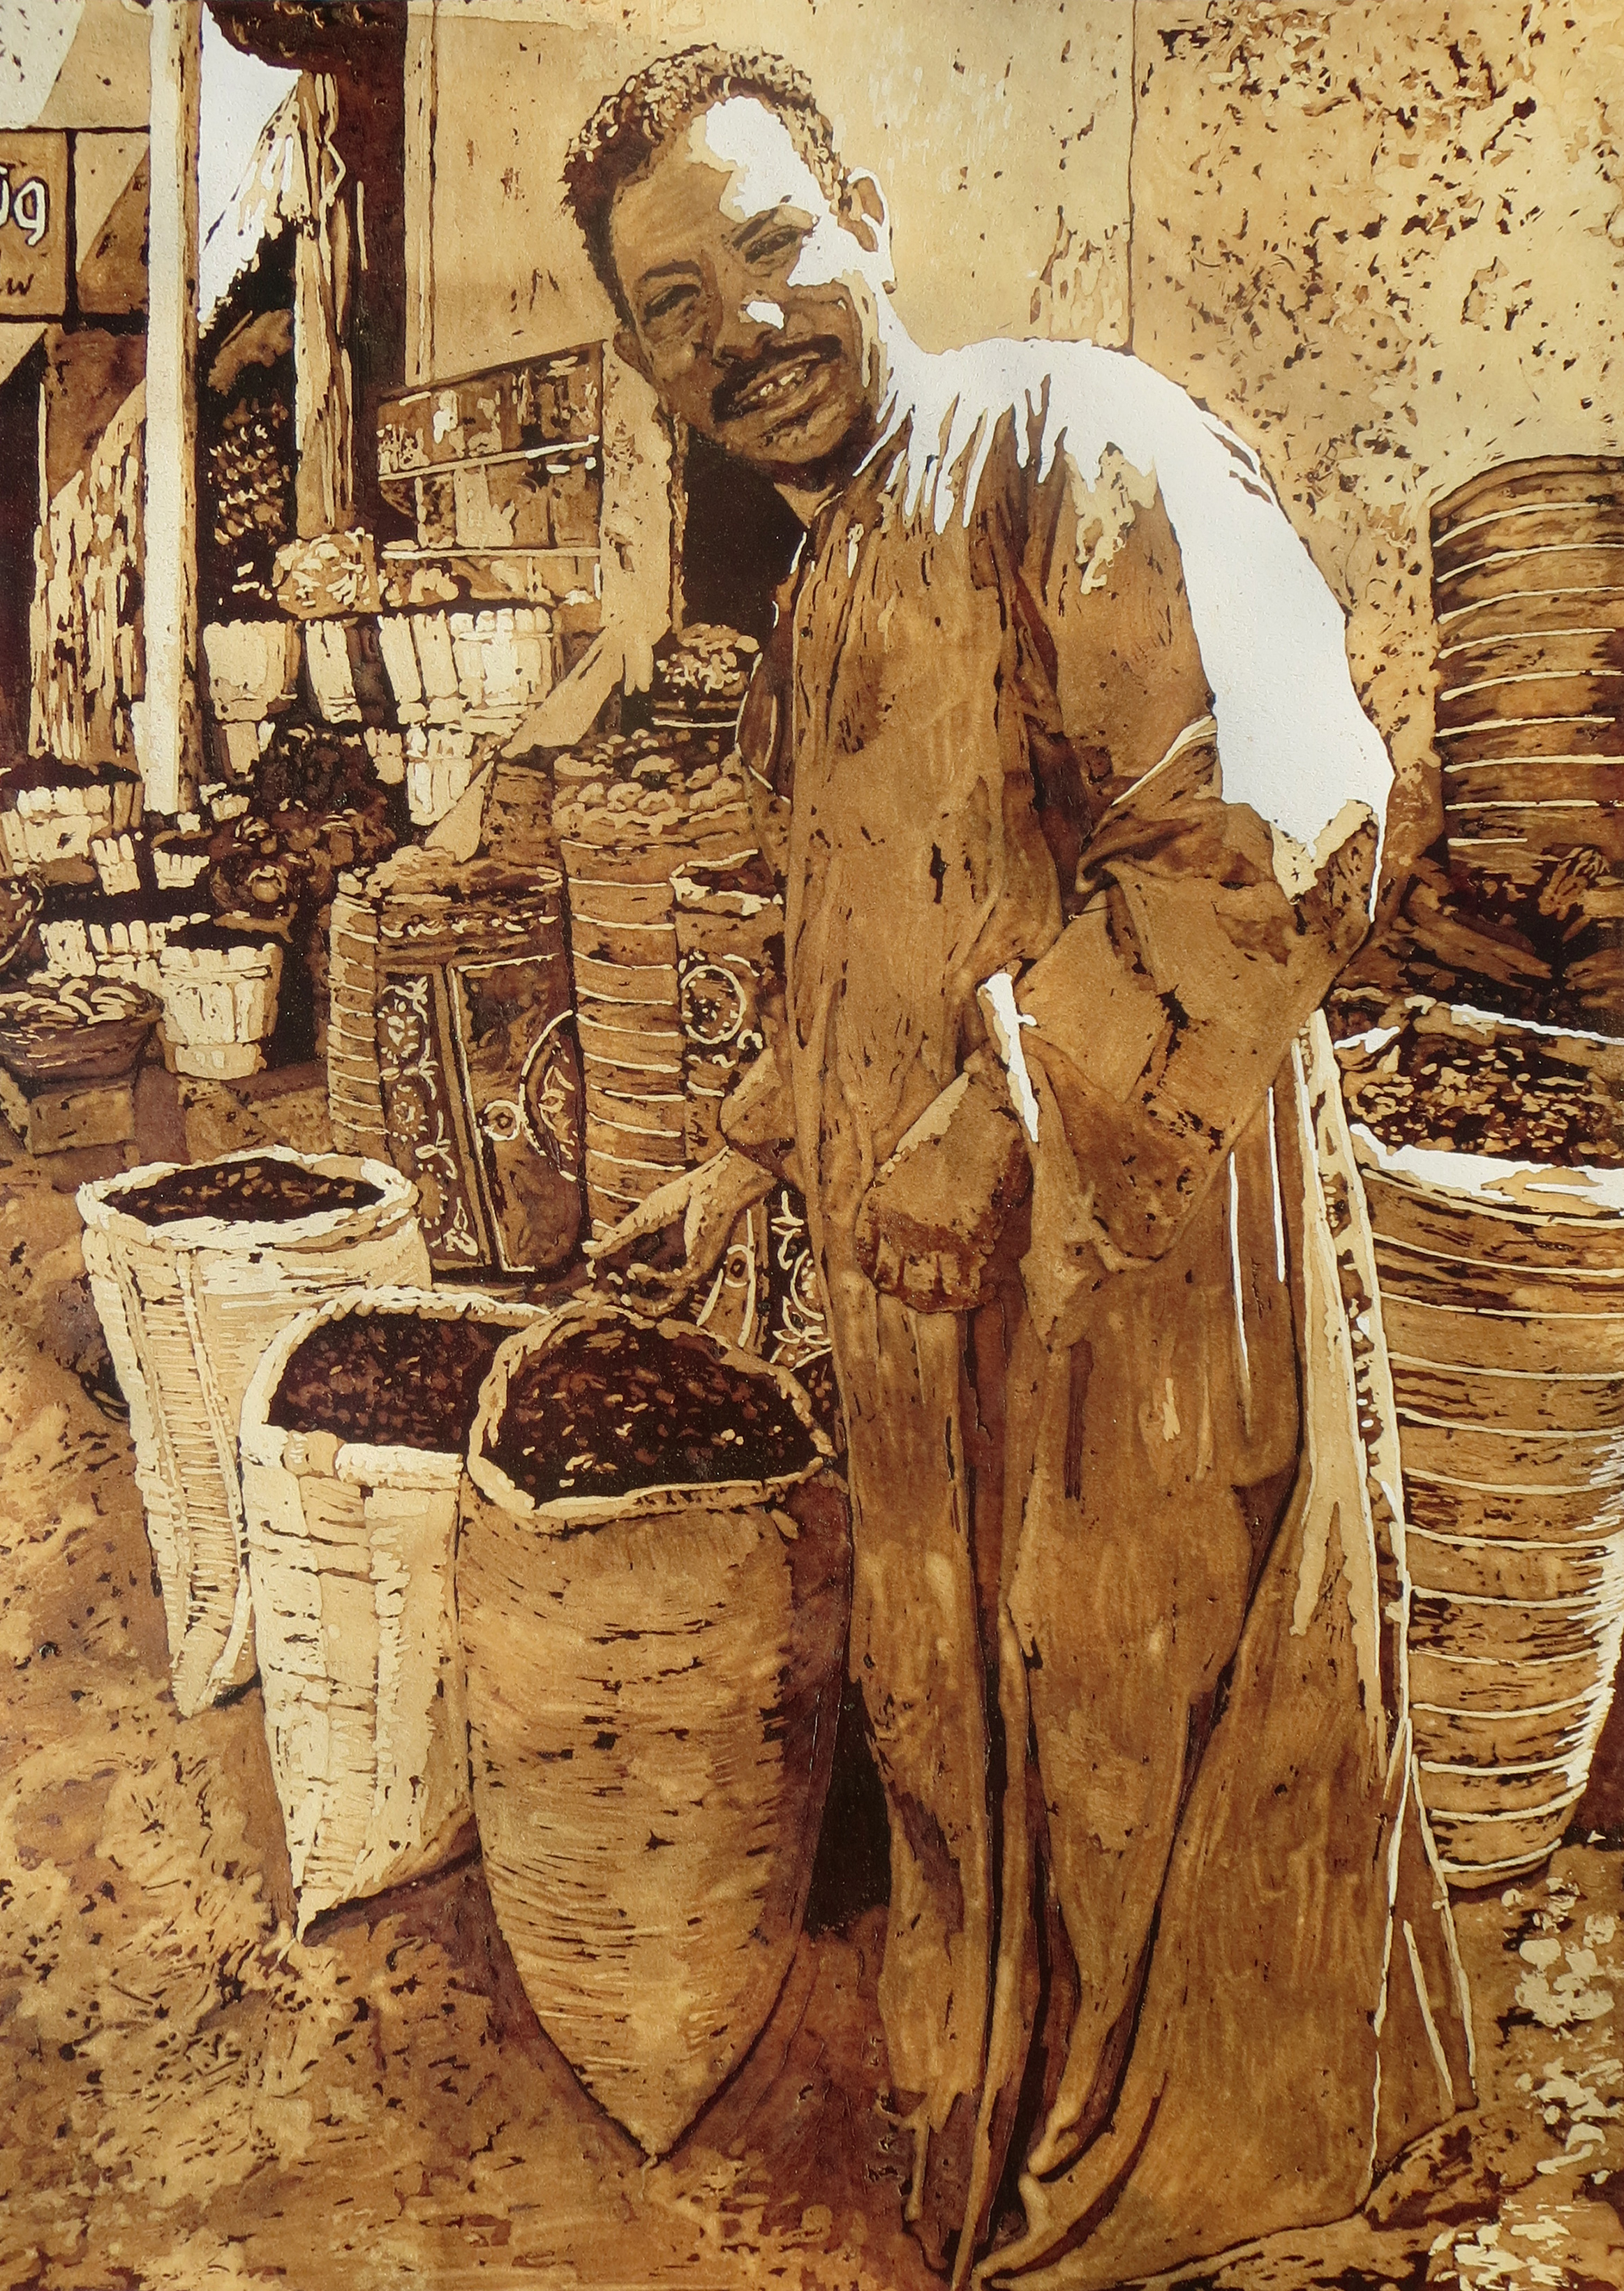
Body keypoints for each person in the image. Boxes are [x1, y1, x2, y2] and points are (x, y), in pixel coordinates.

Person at [563, 47, 1475, 2290]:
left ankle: (1208, 2217)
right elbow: (866, 923)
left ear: (867, 212)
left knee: (1154, 1749)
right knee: (976, 1736)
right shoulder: (817, 575)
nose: (740, 326)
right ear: (647, 363)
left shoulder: (1078, 433)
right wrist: (752, 1155)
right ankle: (1009, 2168)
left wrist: (1001, 1114)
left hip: (1141, 1284)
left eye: (770, 244)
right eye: (672, 305)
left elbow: (1282, 822)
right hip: (931, 1304)